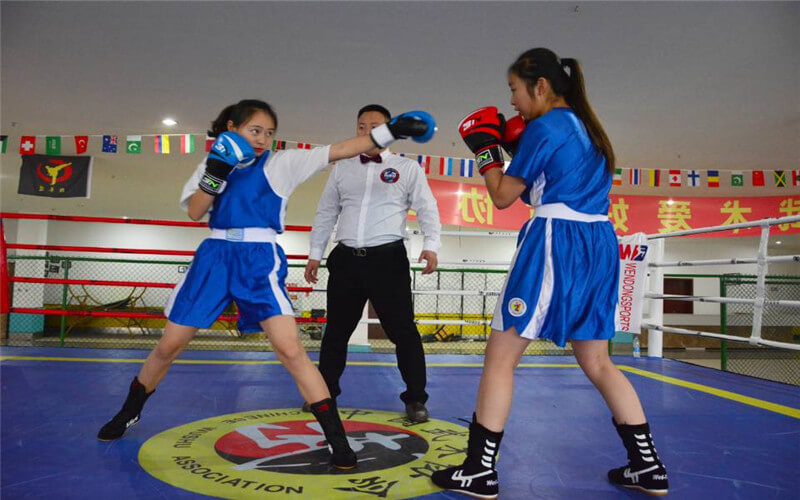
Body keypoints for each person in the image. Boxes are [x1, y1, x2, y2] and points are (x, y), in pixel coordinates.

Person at [96, 99, 436, 471]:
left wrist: (391, 131)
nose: (262, 139)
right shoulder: (210, 163)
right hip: (215, 257)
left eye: (269, 133)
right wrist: (217, 169)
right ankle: (129, 411)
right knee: (169, 345)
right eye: (254, 130)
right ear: (231, 128)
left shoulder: (281, 163)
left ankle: (337, 439)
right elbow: (195, 210)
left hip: (260, 258)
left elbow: (340, 149)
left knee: (291, 349)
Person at [431, 49, 669, 497]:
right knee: (598, 361)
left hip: (555, 240)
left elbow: (502, 196)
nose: (512, 102)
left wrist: (487, 152)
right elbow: (543, 188)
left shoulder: (547, 126)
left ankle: (479, 470)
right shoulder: (588, 130)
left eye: (514, 90)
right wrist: (516, 151)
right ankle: (648, 466)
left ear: (539, 86)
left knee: (500, 357)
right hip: (599, 243)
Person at [302, 104, 442, 423]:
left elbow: (427, 208)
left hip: (388, 260)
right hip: (345, 259)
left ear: (389, 129)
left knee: (404, 332)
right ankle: (323, 395)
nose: (367, 131)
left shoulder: (407, 168)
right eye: (362, 126)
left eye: (375, 126)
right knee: (336, 333)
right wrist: (315, 253)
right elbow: (326, 212)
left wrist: (431, 246)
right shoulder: (341, 168)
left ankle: (415, 398)